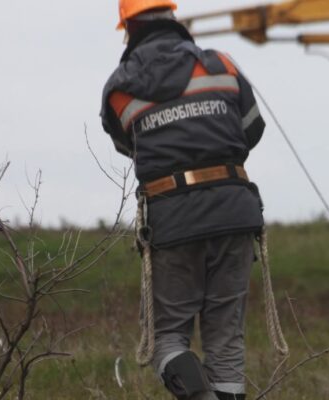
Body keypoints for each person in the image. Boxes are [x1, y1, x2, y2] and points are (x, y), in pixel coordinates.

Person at [100, 1, 266, 399]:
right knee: (226, 343)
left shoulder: (120, 87)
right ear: (174, 19)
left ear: (128, 29)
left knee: (164, 340)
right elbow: (252, 129)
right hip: (234, 213)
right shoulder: (221, 66)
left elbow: (131, 147)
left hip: (172, 222)